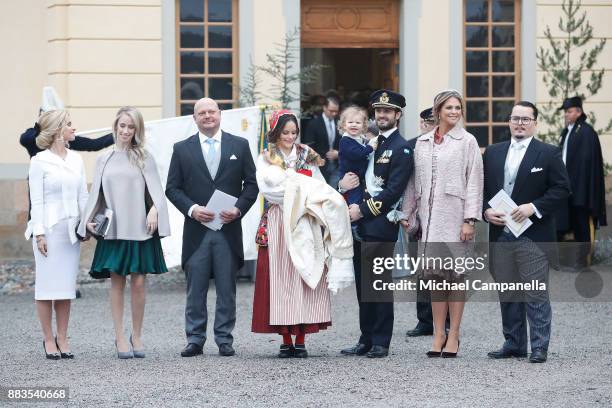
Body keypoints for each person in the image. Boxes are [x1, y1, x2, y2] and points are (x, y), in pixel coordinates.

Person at [251, 110, 354, 358]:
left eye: (293, 132)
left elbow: (321, 188)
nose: (289, 136)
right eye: (285, 132)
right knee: (282, 278)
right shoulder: (266, 157)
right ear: (275, 132)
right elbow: (269, 190)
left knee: (307, 275)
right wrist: (303, 188)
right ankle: (286, 338)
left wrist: (302, 187)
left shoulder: (307, 155)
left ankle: (301, 337)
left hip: (306, 220)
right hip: (279, 221)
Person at [166, 98, 258, 358]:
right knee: (195, 288)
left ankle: (224, 339)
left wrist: (239, 208)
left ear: (220, 115)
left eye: (212, 111)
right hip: (197, 231)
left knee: (227, 288)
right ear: (194, 118)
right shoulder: (182, 149)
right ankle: (195, 338)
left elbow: (251, 185)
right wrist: (193, 209)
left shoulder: (239, 145)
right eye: (201, 113)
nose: (207, 116)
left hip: (227, 230)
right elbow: (172, 188)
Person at [78, 106, 170, 359]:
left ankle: (137, 335)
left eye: (131, 127)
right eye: (123, 126)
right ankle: (119, 336)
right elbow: (95, 193)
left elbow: (157, 193)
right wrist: (86, 221)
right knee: (117, 282)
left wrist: (154, 211)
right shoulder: (103, 159)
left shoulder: (144, 157)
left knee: (139, 283)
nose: (126, 131)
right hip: (114, 230)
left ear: (137, 130)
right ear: (115, 127)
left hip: (141, 228)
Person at [484, 101, 570, 363]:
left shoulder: (548, 153)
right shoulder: (493, 153)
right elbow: (483, 191)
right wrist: (485, 212)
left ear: (535, 122)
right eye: (515, 118)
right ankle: (514, 343)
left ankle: (540, 346)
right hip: (500, 234)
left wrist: (534, 207)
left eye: (525, 119)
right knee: (508, 292)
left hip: (533, 235)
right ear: (509, 122)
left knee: (535, 292)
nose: (520, 123)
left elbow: (562, 189)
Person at [402, 90, 483, 358]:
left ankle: (455, 335)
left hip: (456, 218)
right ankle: (438, 333)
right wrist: (408, 214)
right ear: (438, 111)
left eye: (457, 107)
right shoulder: (422, 142)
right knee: (436, 279)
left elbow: (474, 181)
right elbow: (414, 182)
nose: (454, 112)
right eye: (448, 107)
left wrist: (470, 219)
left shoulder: (467, 141)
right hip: (429, 220)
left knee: (456, 278)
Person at [340, 90, 413, 358]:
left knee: (378, 285)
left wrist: (362, 211)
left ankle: (381, 340)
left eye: (388, 111)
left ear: (398, 115)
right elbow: (353, 175)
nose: (381, 115)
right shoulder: (370, 143)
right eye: (378, 111)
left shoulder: (401, 148)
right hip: (360, 223)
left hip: (380, 224)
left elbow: (393, 191)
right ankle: (365, 339)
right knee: (362, 284)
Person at [25, 110, 88, 359]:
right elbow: (37, 201)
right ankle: (48, 339)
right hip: (48, 231)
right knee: (46, 288)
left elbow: (83, 196)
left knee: (65, 288)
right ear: (57, 130)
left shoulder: (76, 160)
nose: (74, 128)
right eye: (69, 125)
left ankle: (63, 337)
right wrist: (39, 234)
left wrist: (86, 225)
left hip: (70, 232)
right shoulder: (39, 161)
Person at [405, 107, 449, 338]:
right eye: (423, 121)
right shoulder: (411, 145)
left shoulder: (450, 144)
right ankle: (424, 320)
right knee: (420, 270)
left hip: (443, 216)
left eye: (430, 121)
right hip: (419, 215)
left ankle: (446, 320)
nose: (426, 125)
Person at [555, 96, 607, 269]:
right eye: (565, 112)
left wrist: (583, 191)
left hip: (581, 189)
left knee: (582, 224)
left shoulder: (586, 132)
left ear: (579, 111)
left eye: (569, 112)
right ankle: (566, 258)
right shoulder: (568, 131)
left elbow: (587, 164)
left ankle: (583, 261)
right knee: (566, 223)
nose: (566, 115)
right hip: (567, 188)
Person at [337, 106, 374, 238]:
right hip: (350, 175)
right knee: (354, 198)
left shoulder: (359, 139)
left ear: (363, 126)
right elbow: (358, 154)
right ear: (343, 125)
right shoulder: (345, 141)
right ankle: (353, 225)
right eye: (350, 122)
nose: (354, 125)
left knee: (358, 197)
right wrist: (370, 147)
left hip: (359, 175)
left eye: (358, 123)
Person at [302, 95, 341, 186]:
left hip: (336, 165)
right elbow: (309, 146)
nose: (334, 114)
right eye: (331, 111)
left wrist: (338, 153)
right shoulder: (314, 124)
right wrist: (317, 160)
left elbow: (344, 142)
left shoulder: (339, 123)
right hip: (319, 166)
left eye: (336, 111)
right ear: (324, 108)